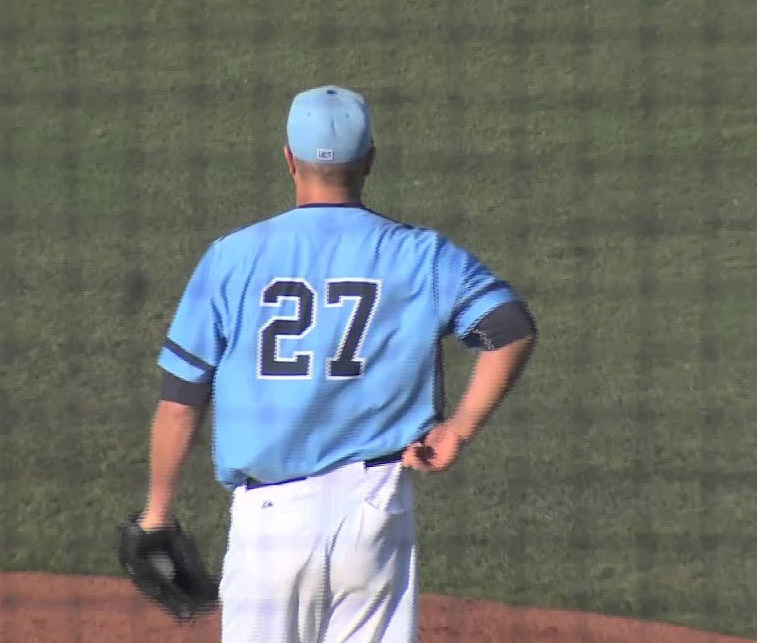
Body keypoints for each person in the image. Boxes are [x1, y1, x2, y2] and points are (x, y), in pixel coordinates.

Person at [135, 85, 537, 642]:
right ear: (369, 159)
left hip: (269, 525)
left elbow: (181, 403)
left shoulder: (234, 257)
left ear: (288, 159)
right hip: (375, 514)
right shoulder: (420, 255)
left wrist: (157, 513)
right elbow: (510, 330)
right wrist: (459, 431)